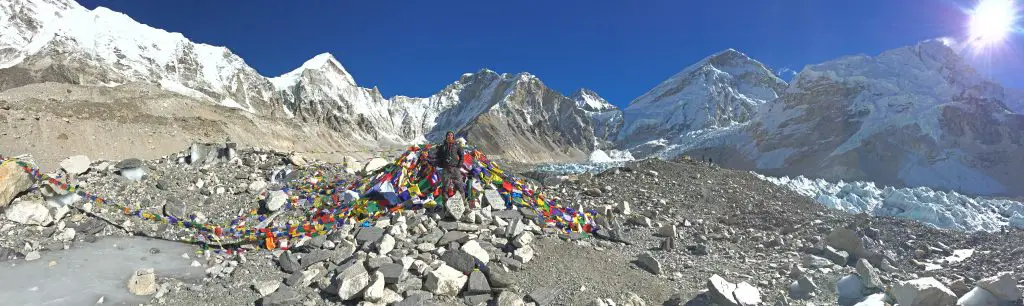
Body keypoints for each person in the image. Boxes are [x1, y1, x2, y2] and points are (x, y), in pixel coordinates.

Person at [433, 131, 466, 200]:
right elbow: (438, 156)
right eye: (448, 135)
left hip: (455, 168)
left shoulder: (457, 146)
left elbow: (462, 156)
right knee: (445, 187)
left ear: (453, 137)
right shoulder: (442, 147)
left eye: (451, 135)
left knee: (459, 186)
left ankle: (464, 204)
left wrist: (459, 165)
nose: (450, 136)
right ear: (446, 136)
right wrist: (440, 164)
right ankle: (445, 206)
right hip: (446, 169)